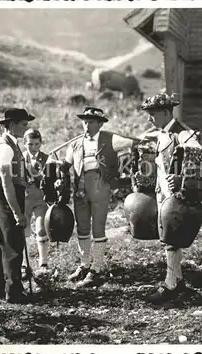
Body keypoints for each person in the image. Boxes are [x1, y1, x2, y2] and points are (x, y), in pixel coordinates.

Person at [57, 107, 137, 288]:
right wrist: (56, 167)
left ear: (100, 124)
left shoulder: (111, 138)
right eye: (85, 121)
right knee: (82, 227)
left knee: (98, 227)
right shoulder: (75, 144)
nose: (87, 125)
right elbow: (66, 165)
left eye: (92, 121)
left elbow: (134, 143)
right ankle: (85, 265)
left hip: (100, 185)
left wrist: (121, 168)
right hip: (80, 187)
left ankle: (97, 268)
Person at [139, 92, 202, 305]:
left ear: (166, 113)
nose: (150, 118)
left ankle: (170, 284)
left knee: (171, 237)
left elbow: (198, 155)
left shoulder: (182, 133)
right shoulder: (160, 133)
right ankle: (177, 279)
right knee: (167, 237)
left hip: (175, 195)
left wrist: (182, 179)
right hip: (162, 192)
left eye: (153, 114)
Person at [0, 108, 34, 303]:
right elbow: (6, 183)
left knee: (4, 241)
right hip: (5, 197)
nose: (26, 128)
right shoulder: (5, 148)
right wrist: (17, 212)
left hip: (12, 194)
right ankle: (13, 290)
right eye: (24, 124)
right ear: (12, 124)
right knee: (13, 243)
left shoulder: (13, 145)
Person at [22, 128, 53, 285]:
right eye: (30, 144)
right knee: (23, 230)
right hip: (25, 198)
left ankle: (43, 262)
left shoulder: (47, 158)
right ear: (24, 143)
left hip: (40, 198)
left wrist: (42, 175)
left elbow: (51, 181)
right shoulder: (20, 158)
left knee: (41, 228)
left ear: (41, 143)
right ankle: (23, 264)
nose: (33, 147)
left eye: (36, 144)